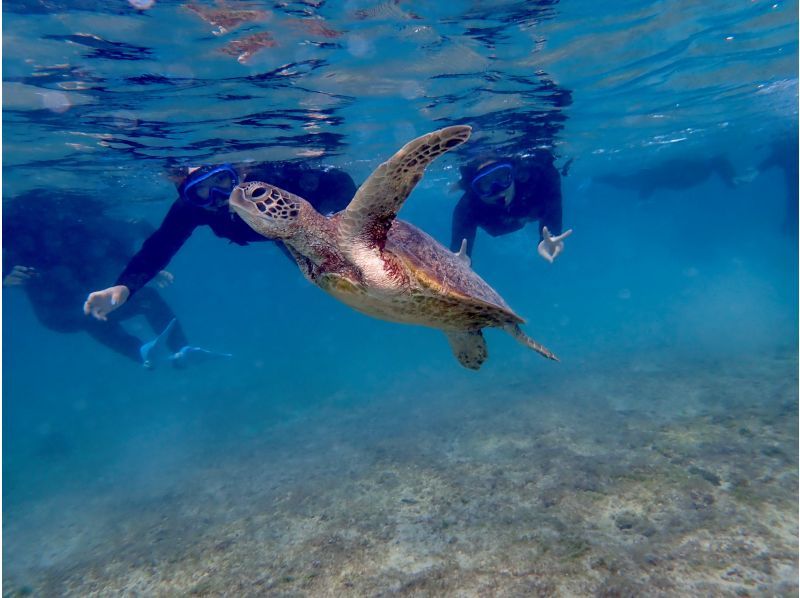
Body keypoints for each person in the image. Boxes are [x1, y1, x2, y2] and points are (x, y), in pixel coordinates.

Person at [84, 161, 358, 321]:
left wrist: (341, 217)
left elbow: (338, 179)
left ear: (237, 173)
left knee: (352, 264)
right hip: (283, 234)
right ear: (188, 195)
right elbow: (158, 248)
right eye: (201, 192)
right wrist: (125, 287)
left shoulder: (274, 177)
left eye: (222, 182)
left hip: (316, 219)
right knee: (336, 282)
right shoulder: (193, 209)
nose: (217, 195)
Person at [2, 192, 213, 369]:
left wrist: (151, 270)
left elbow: (119, 244)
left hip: (80, 301)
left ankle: (177, 350)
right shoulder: (23, 221)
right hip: (57, 309)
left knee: (140, 299)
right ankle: (147, 352)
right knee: (94, 314)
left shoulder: (89, 222)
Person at [450, 151, 572, 262]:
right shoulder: (468, 206)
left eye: (502, 176)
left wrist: (551, 235)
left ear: (513, 174)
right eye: (486, 184)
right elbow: (459, 254)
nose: (497, 189)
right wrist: (460, 264)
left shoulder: (536, 179)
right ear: (474, 189)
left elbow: (552, 192)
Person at [593, 154, 741, 200]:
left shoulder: (701, 171)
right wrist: (643, 200)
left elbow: (653, 182)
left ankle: (597, 179)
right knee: (623, 183)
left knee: (623, 183)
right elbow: (652, 182)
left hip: (670, 175)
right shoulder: (700, 172)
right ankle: (596, 179)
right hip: (666, 176)